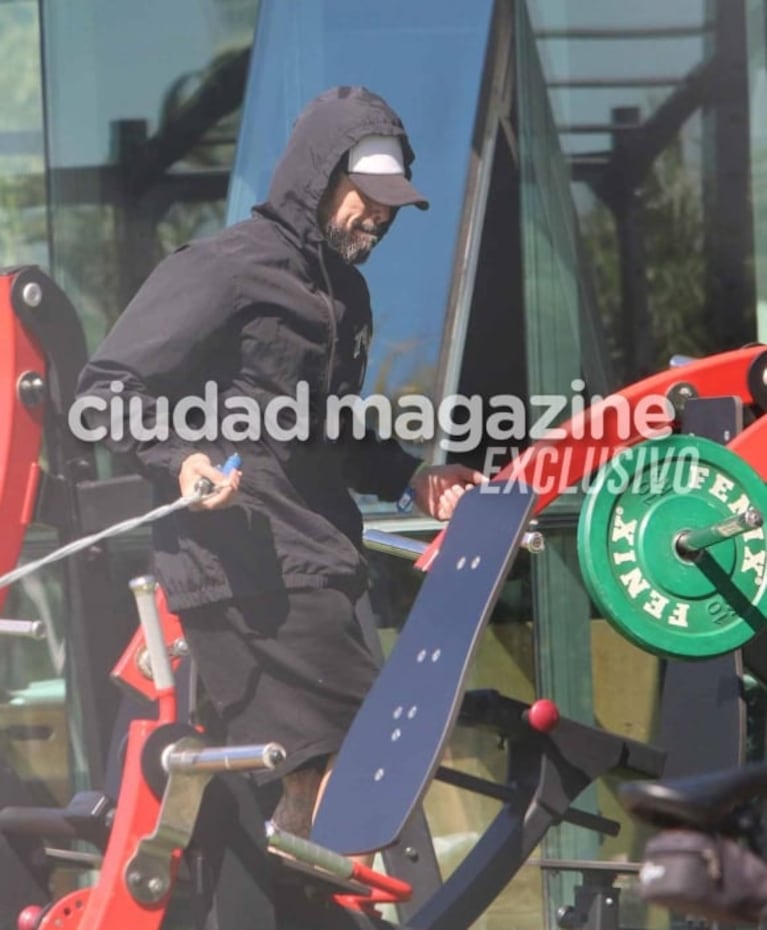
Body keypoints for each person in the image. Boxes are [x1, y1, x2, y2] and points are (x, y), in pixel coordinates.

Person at [76, 85, 484, 839]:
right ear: (318, 176)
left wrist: (411, 478)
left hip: (319, 566)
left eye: (394, 203)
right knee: (371, 762)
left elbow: (326, 427)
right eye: (369, 196)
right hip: (247, 573)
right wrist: (181, 457)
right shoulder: (221, 268)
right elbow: (104, 392)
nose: (382, 216)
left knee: (285, 812)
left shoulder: (346, 297)